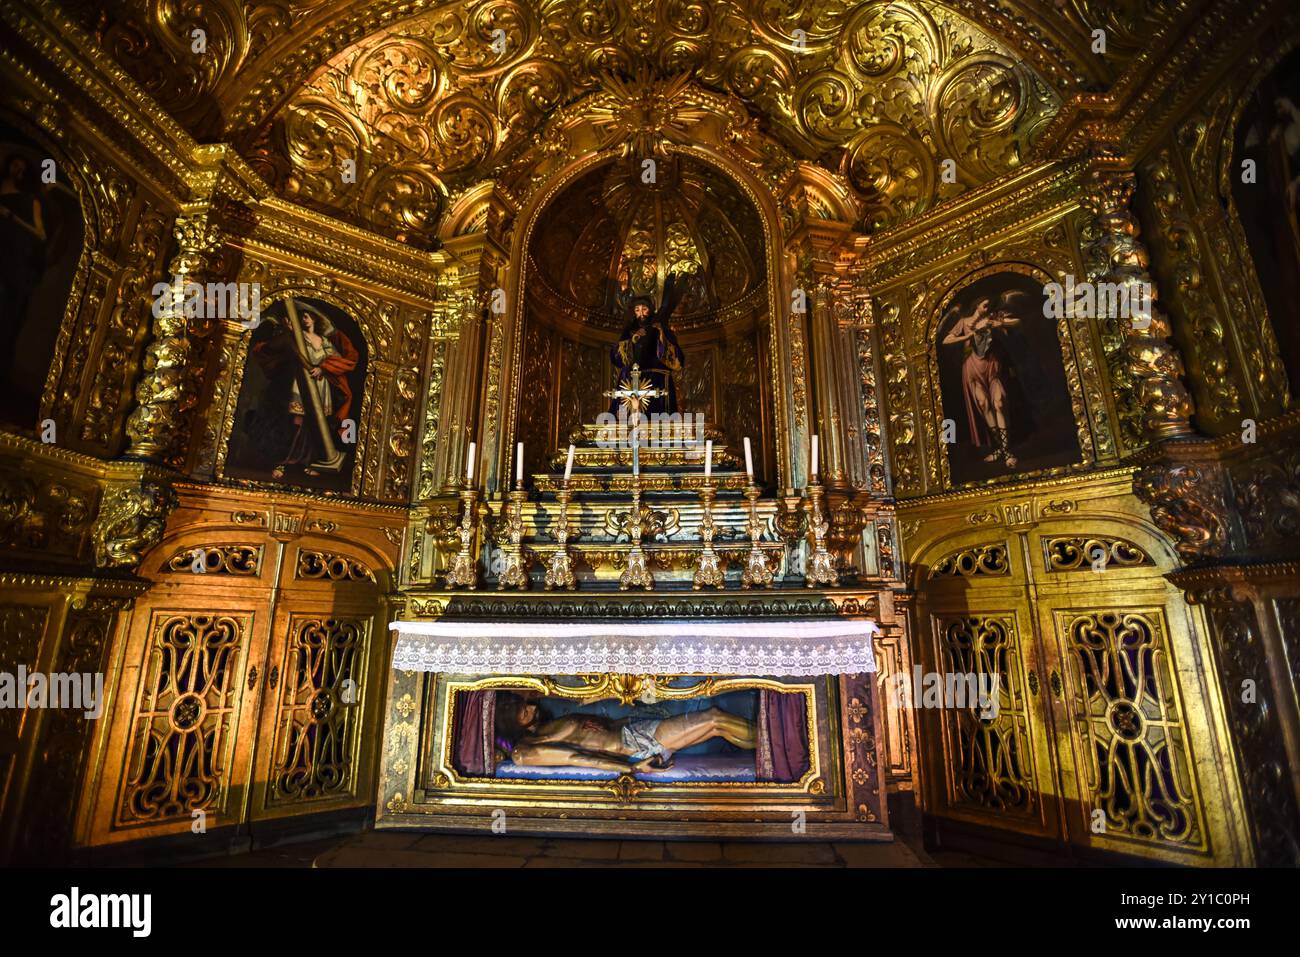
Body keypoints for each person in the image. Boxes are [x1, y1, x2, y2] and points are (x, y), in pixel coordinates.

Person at [494, 693, 756, 774]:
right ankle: (776, 741)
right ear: (508, 720)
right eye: (520, 709)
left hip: (632, 731)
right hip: (634, 744)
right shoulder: (525, 750)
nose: (529, 706)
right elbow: (579, 758)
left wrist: (628, 718)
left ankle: (770, 746)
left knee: (716, 726)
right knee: (713, 718)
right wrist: (632, 768)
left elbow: (599, 729)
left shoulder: (542, 726)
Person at [250, 303, 359, 479]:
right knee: (296, 421)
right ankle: (282, 462)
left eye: (306, 315)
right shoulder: (297, 336)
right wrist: (289, 332)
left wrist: (323, 368)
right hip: (299, 384)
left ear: (314, 318)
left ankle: (311, 461)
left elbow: (337, 361)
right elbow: (283, 347)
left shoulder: (324, 341)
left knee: (314, 424)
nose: (303, 319)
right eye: (301, 316)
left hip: (320, 386)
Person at [941, 292, 1028, 468]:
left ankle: (1004, 451)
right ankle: (1003, 451)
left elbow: (1018, 322)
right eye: (985, 305)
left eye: (989, 306)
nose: (987, 308)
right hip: (972, 367)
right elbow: (946, 340)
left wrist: (999, 323)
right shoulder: (964, 322)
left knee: (1000, 403)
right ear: (977, 305)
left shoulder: (992, 318)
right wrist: (968, 336)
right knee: (983, 404)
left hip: (991, 366)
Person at [608, 269, 686, 417]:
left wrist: (661, 336)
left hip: (657, 380)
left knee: (657, 417)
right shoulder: (629, 330)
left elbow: (677, 357)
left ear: (650, 310)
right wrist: (632, 340)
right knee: (631, 417)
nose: (641, 313)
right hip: (631, 379)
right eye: (637, 310)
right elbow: (616, 356)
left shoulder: (659, 327)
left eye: (644, 309)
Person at [0, 153, 46, 358]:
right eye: (15, 165)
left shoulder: (30, 201)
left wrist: (13, 217)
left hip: (14, 255)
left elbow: (40, 234)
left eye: (22, 168)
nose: (18, 170)